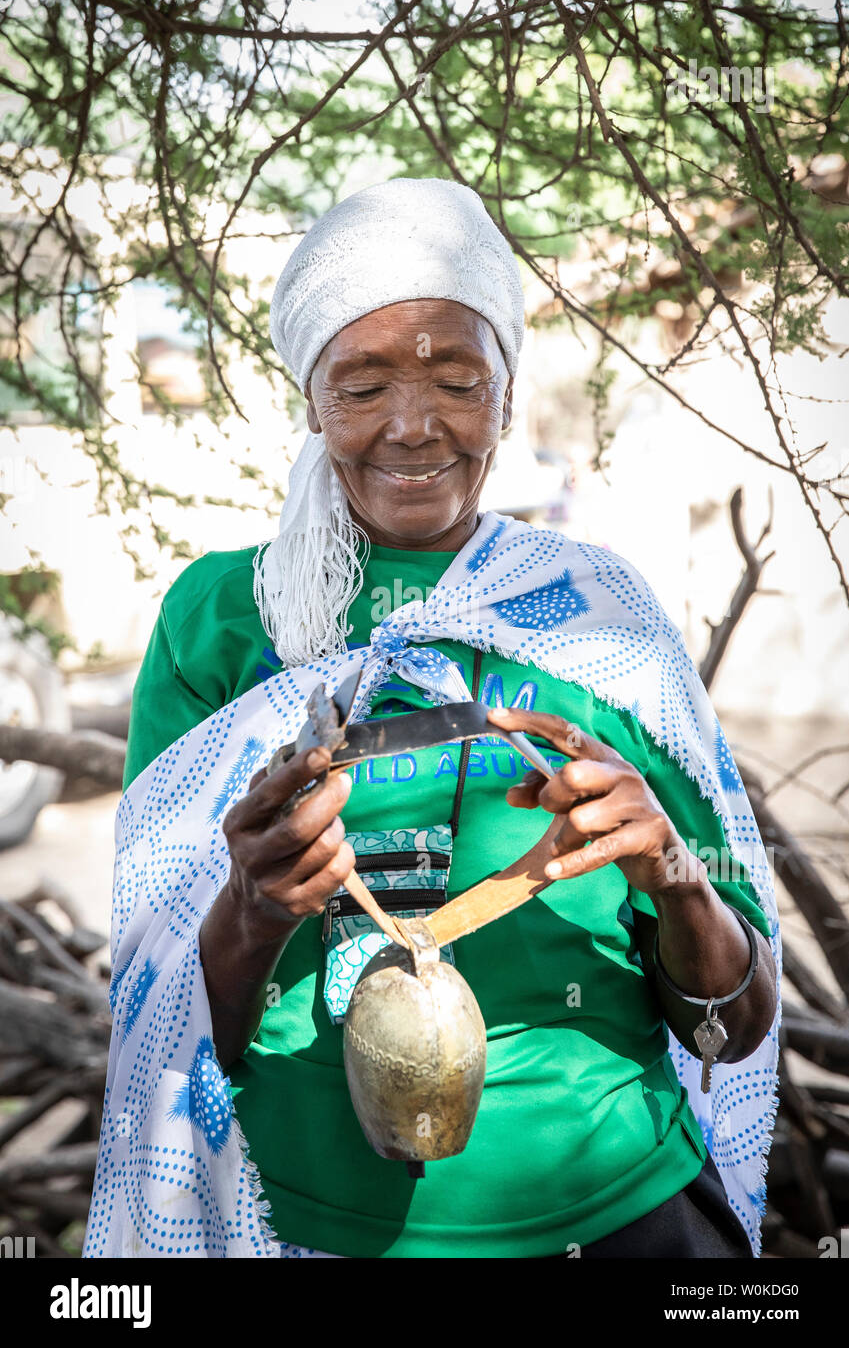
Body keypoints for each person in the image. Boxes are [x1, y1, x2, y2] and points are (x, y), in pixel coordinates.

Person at [85, 178, 779, 1260]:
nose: (413, 428)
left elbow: (735, 1024)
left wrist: (674, 877)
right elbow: (163, 1026)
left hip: (623, 1218)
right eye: (361, 387)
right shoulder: (227, 618)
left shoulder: (603, 616)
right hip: (322, 1229)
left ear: (505, 394)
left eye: (457, 380)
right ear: (311, 401)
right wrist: (254, 904)